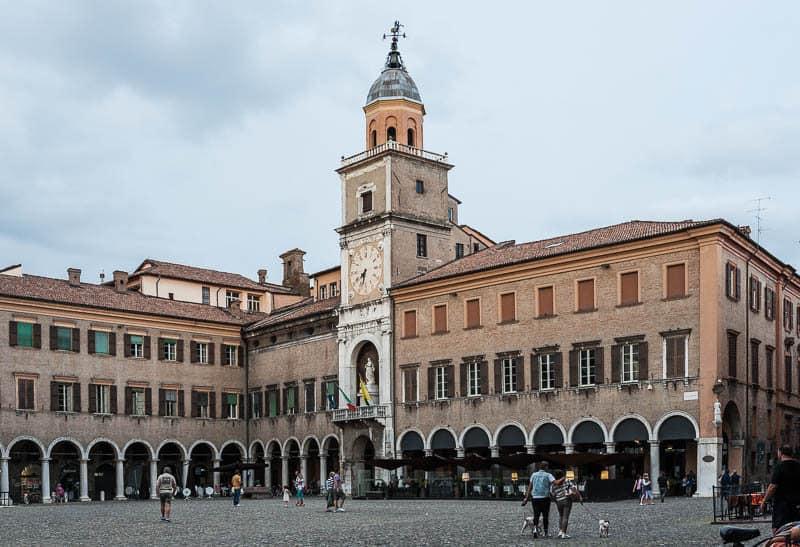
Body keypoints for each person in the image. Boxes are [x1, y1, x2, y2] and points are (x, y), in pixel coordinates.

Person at [761, 446, 800, 534]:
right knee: (796, 530)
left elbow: (772, 486)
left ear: (780, 453)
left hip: (782, 505)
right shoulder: (798, 466)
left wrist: (764, 500)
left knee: (779, 530)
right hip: (797, 504)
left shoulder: (779, 467)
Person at [523, 462, 555, 538]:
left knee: (536, 515)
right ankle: (546, 532)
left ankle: (535, 529)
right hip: (545, 498)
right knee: (545, 516)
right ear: (546, 467)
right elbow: (554, 482)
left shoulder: (534, 475)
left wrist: (526, 498)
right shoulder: (548, 475)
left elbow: (530, 487)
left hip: (535, 498)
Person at [550, 469, 580, 539]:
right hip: (566, 500)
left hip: (558, 501)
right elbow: (574, 489)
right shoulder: (566, 480)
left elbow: (552, 494)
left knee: (561, 516)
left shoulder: (553, 484)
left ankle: (560, 532)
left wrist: (556, 500)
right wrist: (579, 497)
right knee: (565, 517)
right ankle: (564, 533)